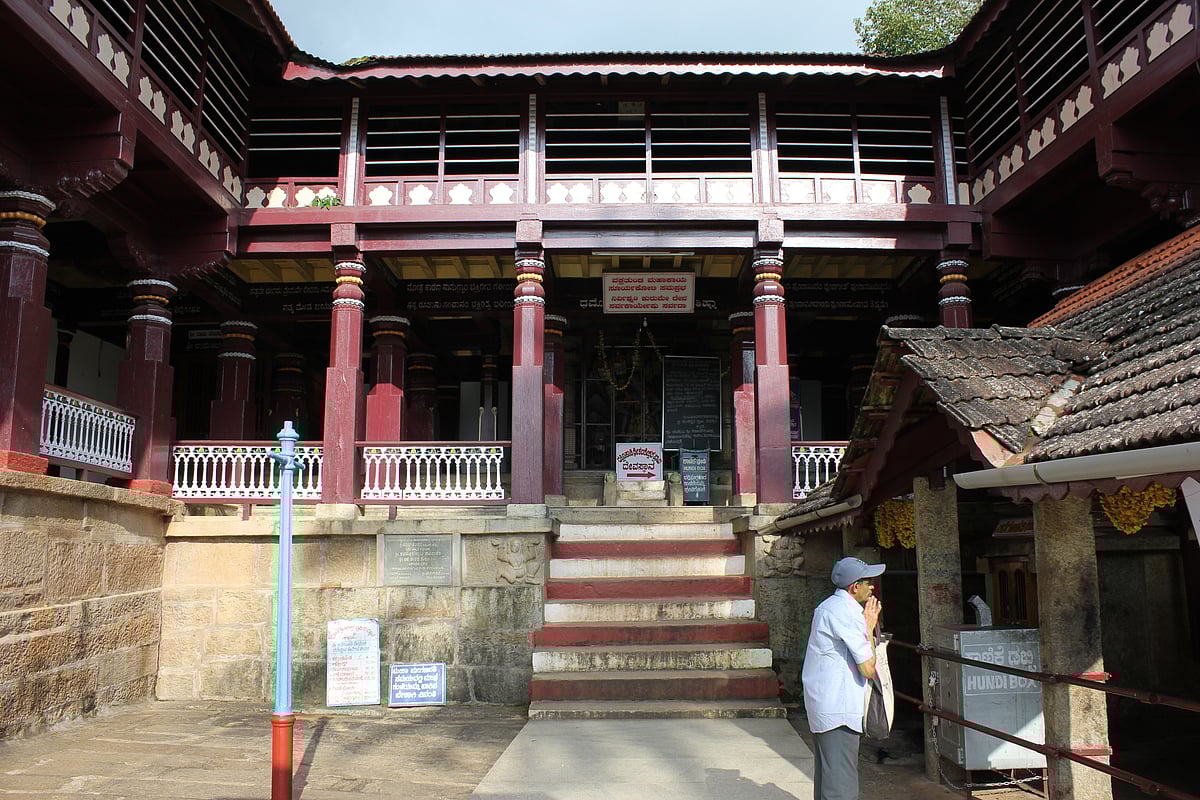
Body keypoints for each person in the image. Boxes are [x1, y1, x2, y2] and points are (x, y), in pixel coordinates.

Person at [802, 556, 885, 800]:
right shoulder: (845, 613)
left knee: (828, 777)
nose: (872, 587)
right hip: (839, 709)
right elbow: (868, 668)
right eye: (868, 582)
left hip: (826, 704)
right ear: (854, 587)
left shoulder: (829, 606)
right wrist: (869, 627)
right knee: (841, 784)